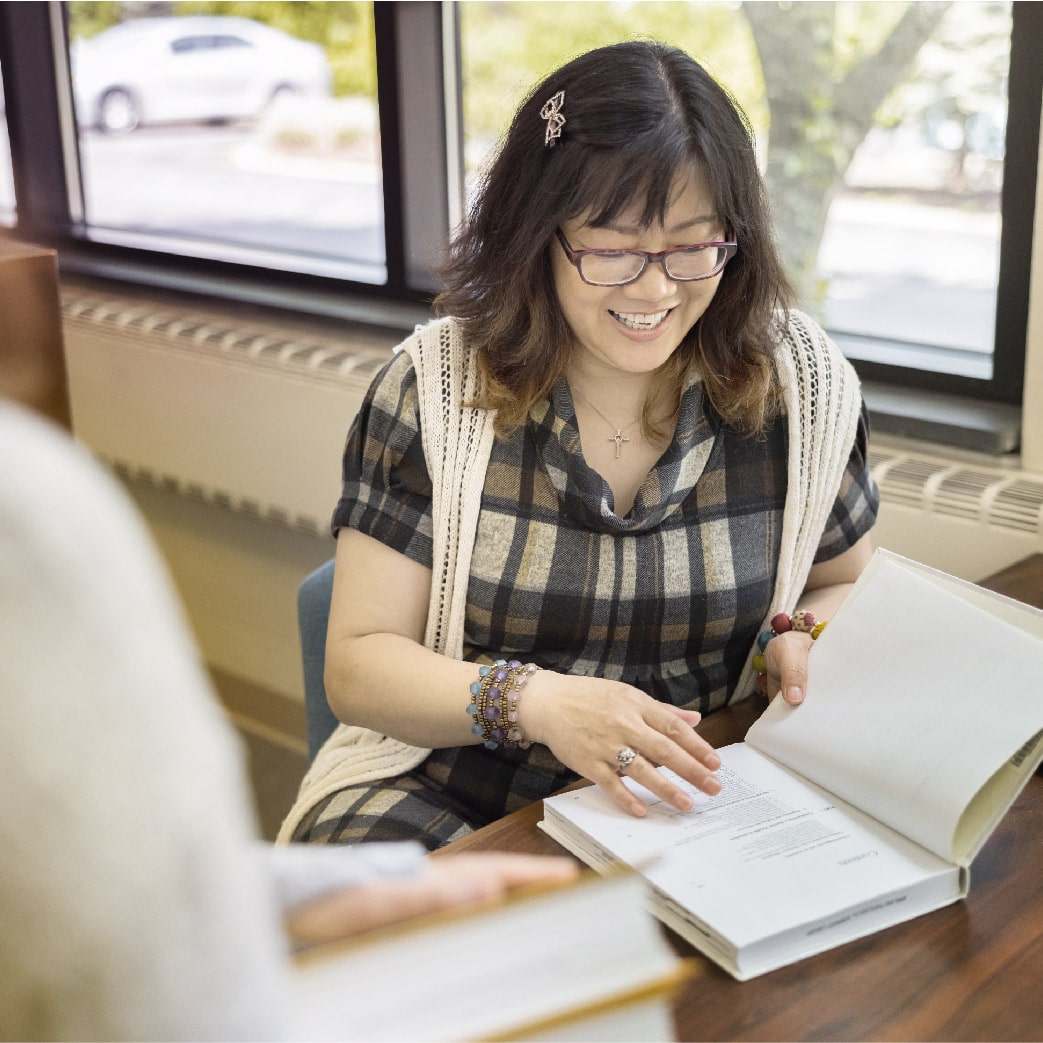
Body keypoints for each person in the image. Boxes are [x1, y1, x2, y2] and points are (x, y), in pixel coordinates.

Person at [279, 40, 878, 851]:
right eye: (612, 248)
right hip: (454, 781)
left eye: (692, 244)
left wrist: (800, 636)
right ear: (537, 234)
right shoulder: (436, 389)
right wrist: (538, 703)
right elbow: (357, 663)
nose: (655, 288)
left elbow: (843, 584)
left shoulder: (797, 391)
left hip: (700, 785)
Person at [0, 399, 577, 1041]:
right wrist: (530, 700)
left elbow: (102, 899)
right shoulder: (24, 514)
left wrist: (291, 898)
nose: (657, 291)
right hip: (431, 765)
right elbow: (126, 983)